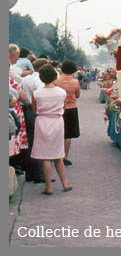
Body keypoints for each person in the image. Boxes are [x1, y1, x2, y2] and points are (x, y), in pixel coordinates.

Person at [31, 64, 72, 194]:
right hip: (57, 121)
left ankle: (48, 187)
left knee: (45, 156)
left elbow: (34, 109)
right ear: (55, 77)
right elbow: (64, 107)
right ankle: (65, 183)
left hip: (42, 121)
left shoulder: (37, 93)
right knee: (58, 154)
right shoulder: (61, 92)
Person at [20, 58, 48, 182]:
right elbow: (40, 95)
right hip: (35, 110)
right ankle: (39, 174)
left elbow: (19, 91)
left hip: (25, 109)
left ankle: (30, 173)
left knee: (29, 141)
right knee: (39, 142)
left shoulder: (26, 79)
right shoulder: (39, 80)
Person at [55, 60, 81, 166]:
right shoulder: (75, 82)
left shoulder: (57, 80)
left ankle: (56, 155)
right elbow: (78, 95)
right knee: (68, 134)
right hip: (71, 108)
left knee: (58, 133)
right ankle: (65, 156)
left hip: (59, 108)